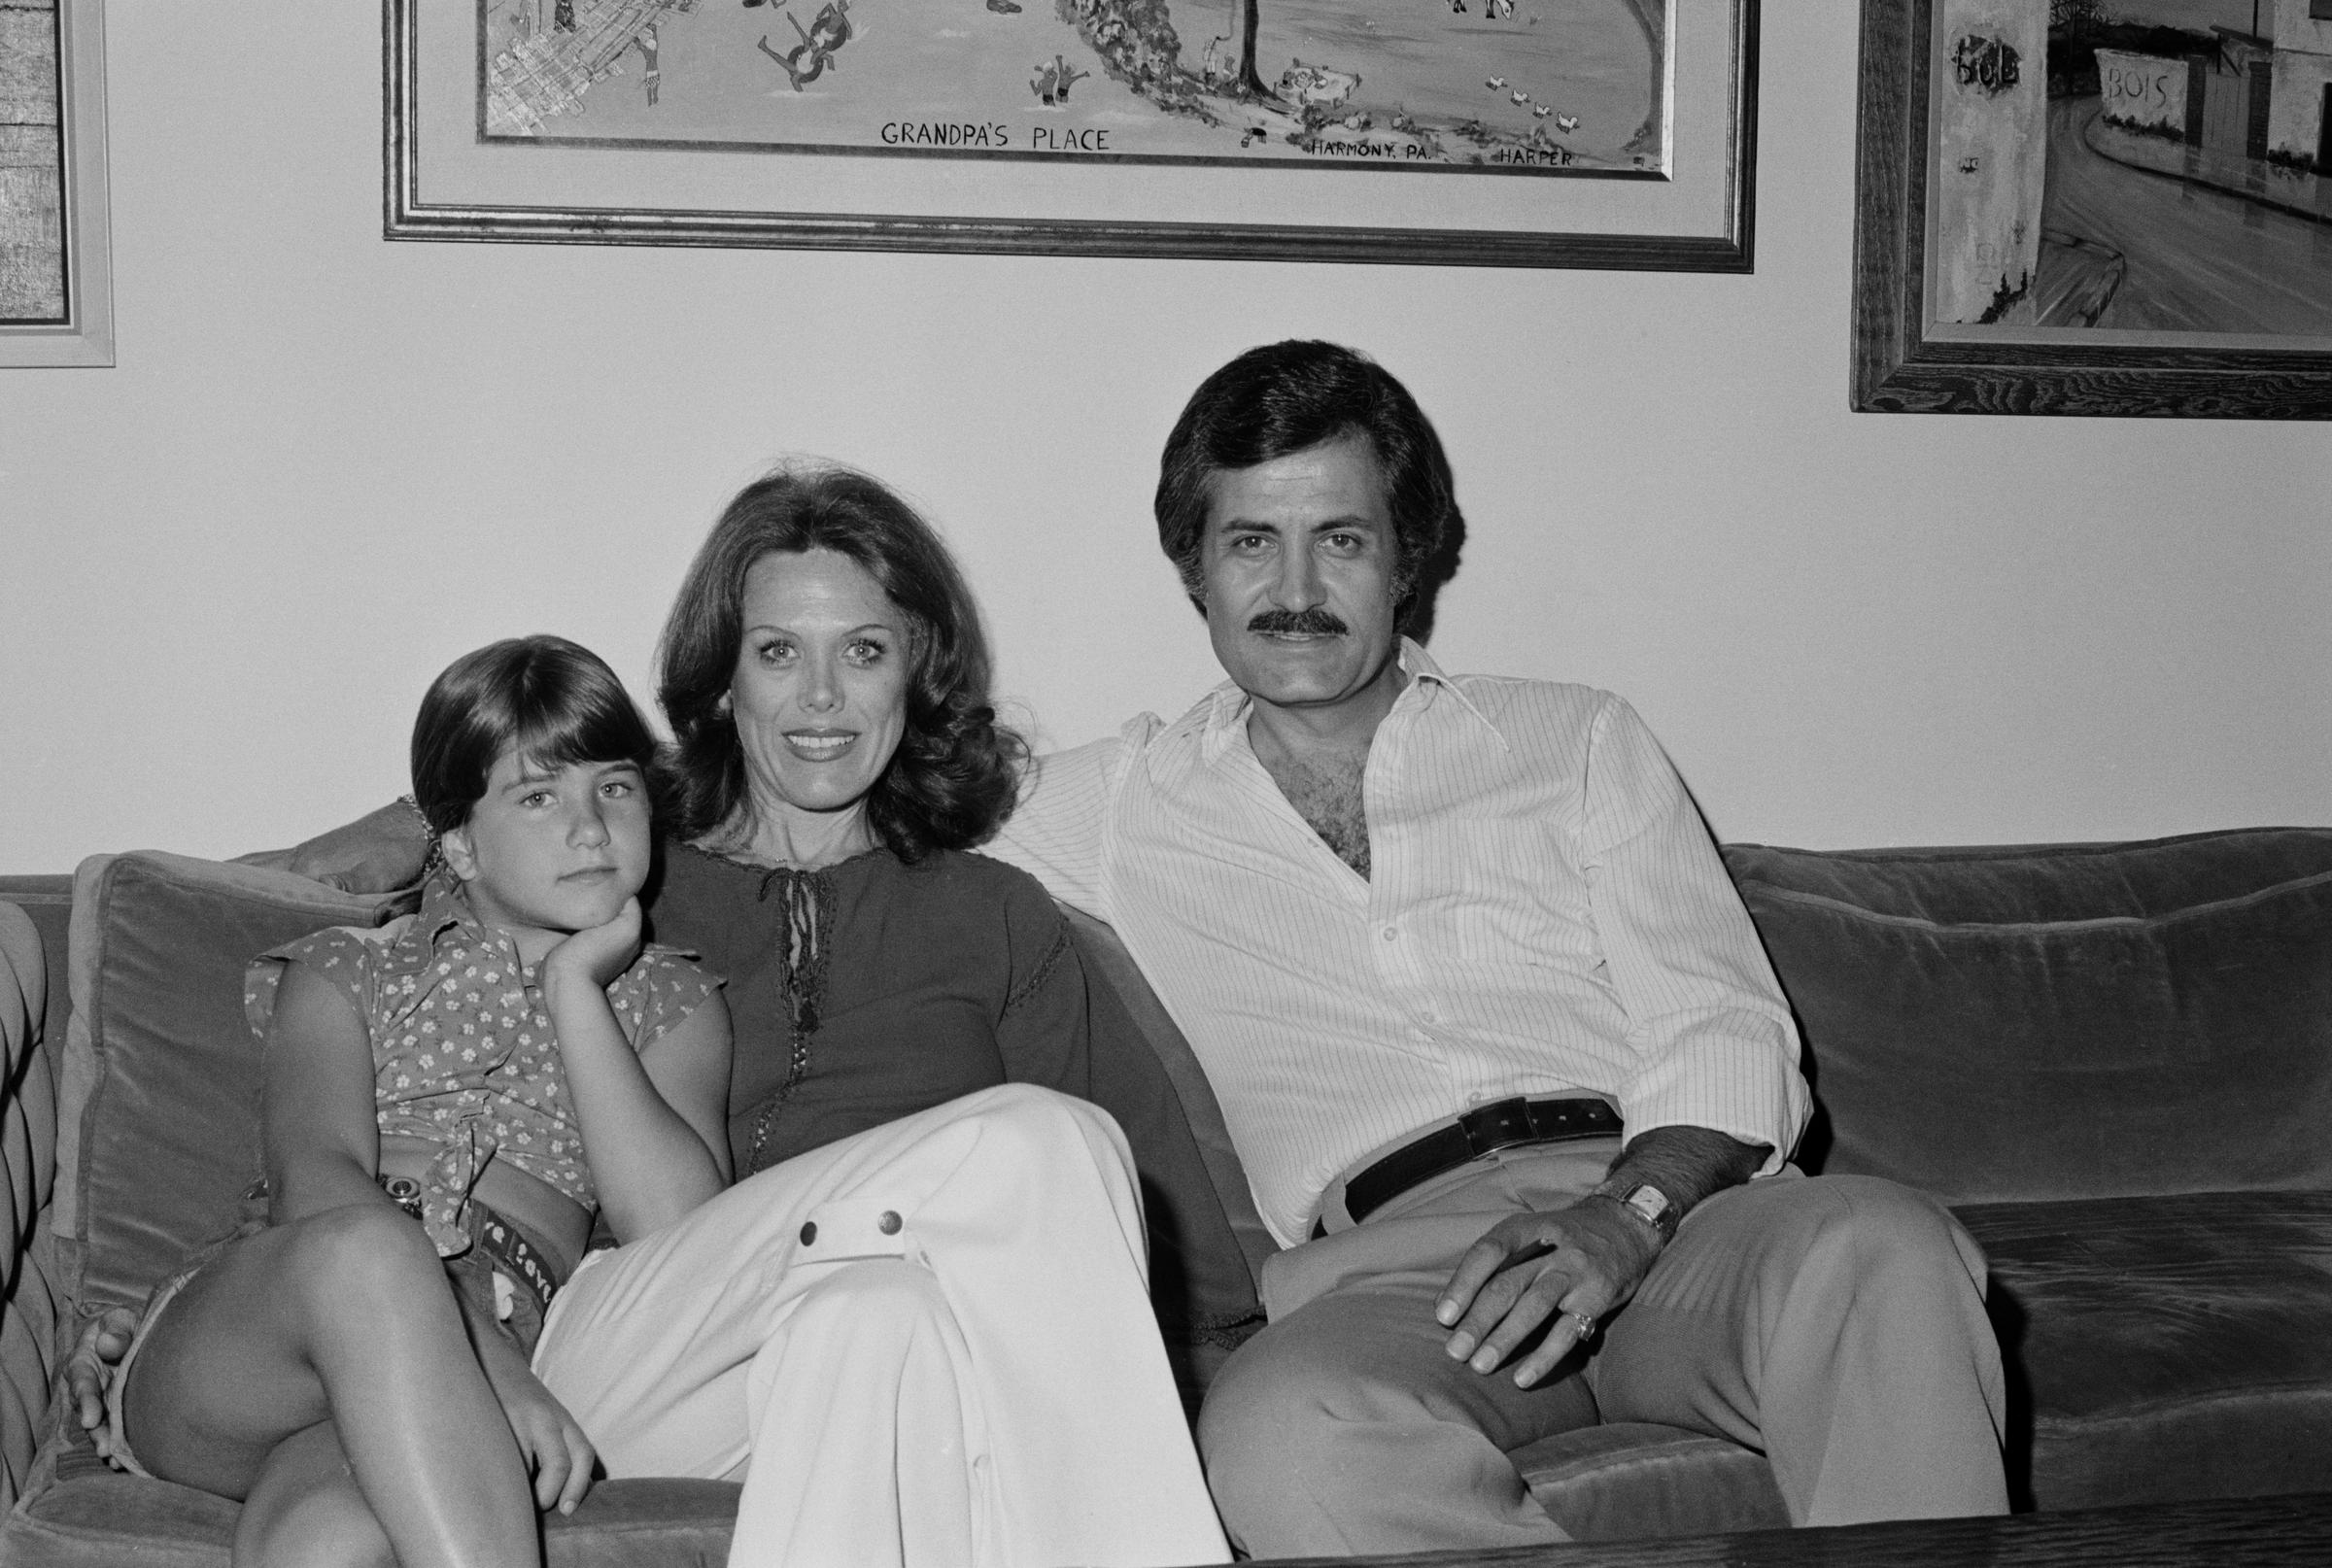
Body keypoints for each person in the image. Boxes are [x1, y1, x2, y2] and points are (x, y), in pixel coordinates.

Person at [979, 341, 2011, 1556]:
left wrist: (1627, 1215)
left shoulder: (1572, 740)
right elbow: (853, 792)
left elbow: (1720, 1022)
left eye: (1343, 540)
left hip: (1669, 1219)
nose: (1295, 586)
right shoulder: (1122, 804)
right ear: (1193, 571)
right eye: (1252, 540)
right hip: (1402, 1281)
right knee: (1284, 1434)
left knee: (1881, 1246)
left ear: (1410, 558)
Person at [72, 634, 733, 1568]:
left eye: (615, 788)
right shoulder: (351, 966)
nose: (591, 828)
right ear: (459, 839)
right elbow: (314, 1175)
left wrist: (577, 991)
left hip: (434, 1375)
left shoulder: (670, 1001)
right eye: (539, 795)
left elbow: (682, 1235)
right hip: (264, 1333)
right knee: (370, 1252)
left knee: (324, 1543)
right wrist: (485, 1360)